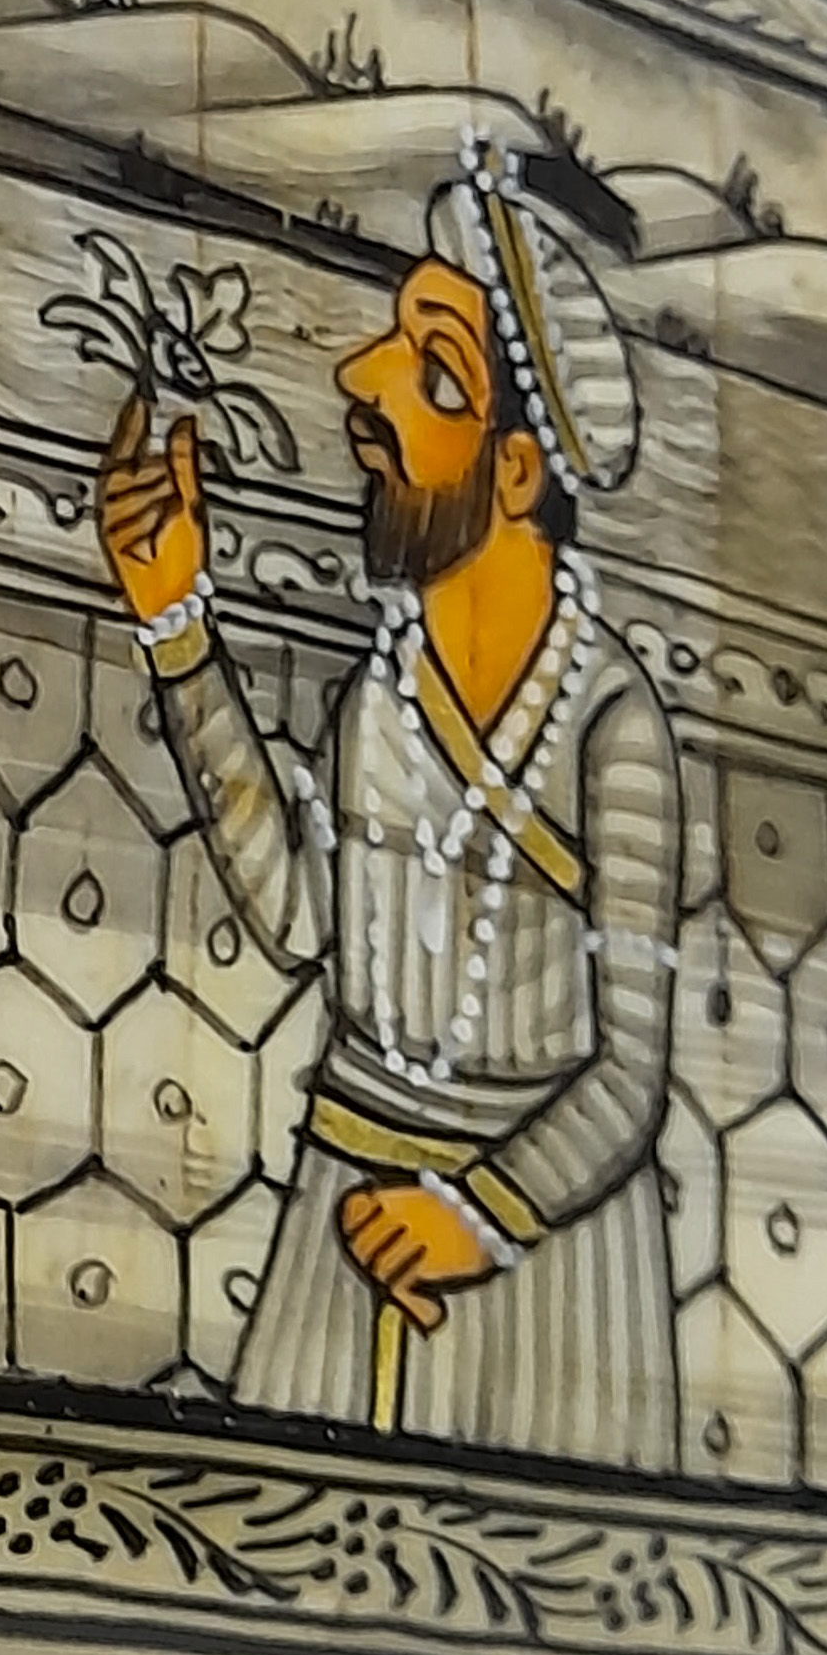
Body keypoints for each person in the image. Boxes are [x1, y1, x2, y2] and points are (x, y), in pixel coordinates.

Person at [96, 137, 681, 1465]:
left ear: (516, 475)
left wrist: (478, 1216)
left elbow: (632, 1072)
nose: (362, 384)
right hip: (342, 1210)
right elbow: (307, 921)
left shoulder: (611, 724)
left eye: (431, 372)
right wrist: (178, 624)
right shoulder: (388, 688)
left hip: (537, 1278)